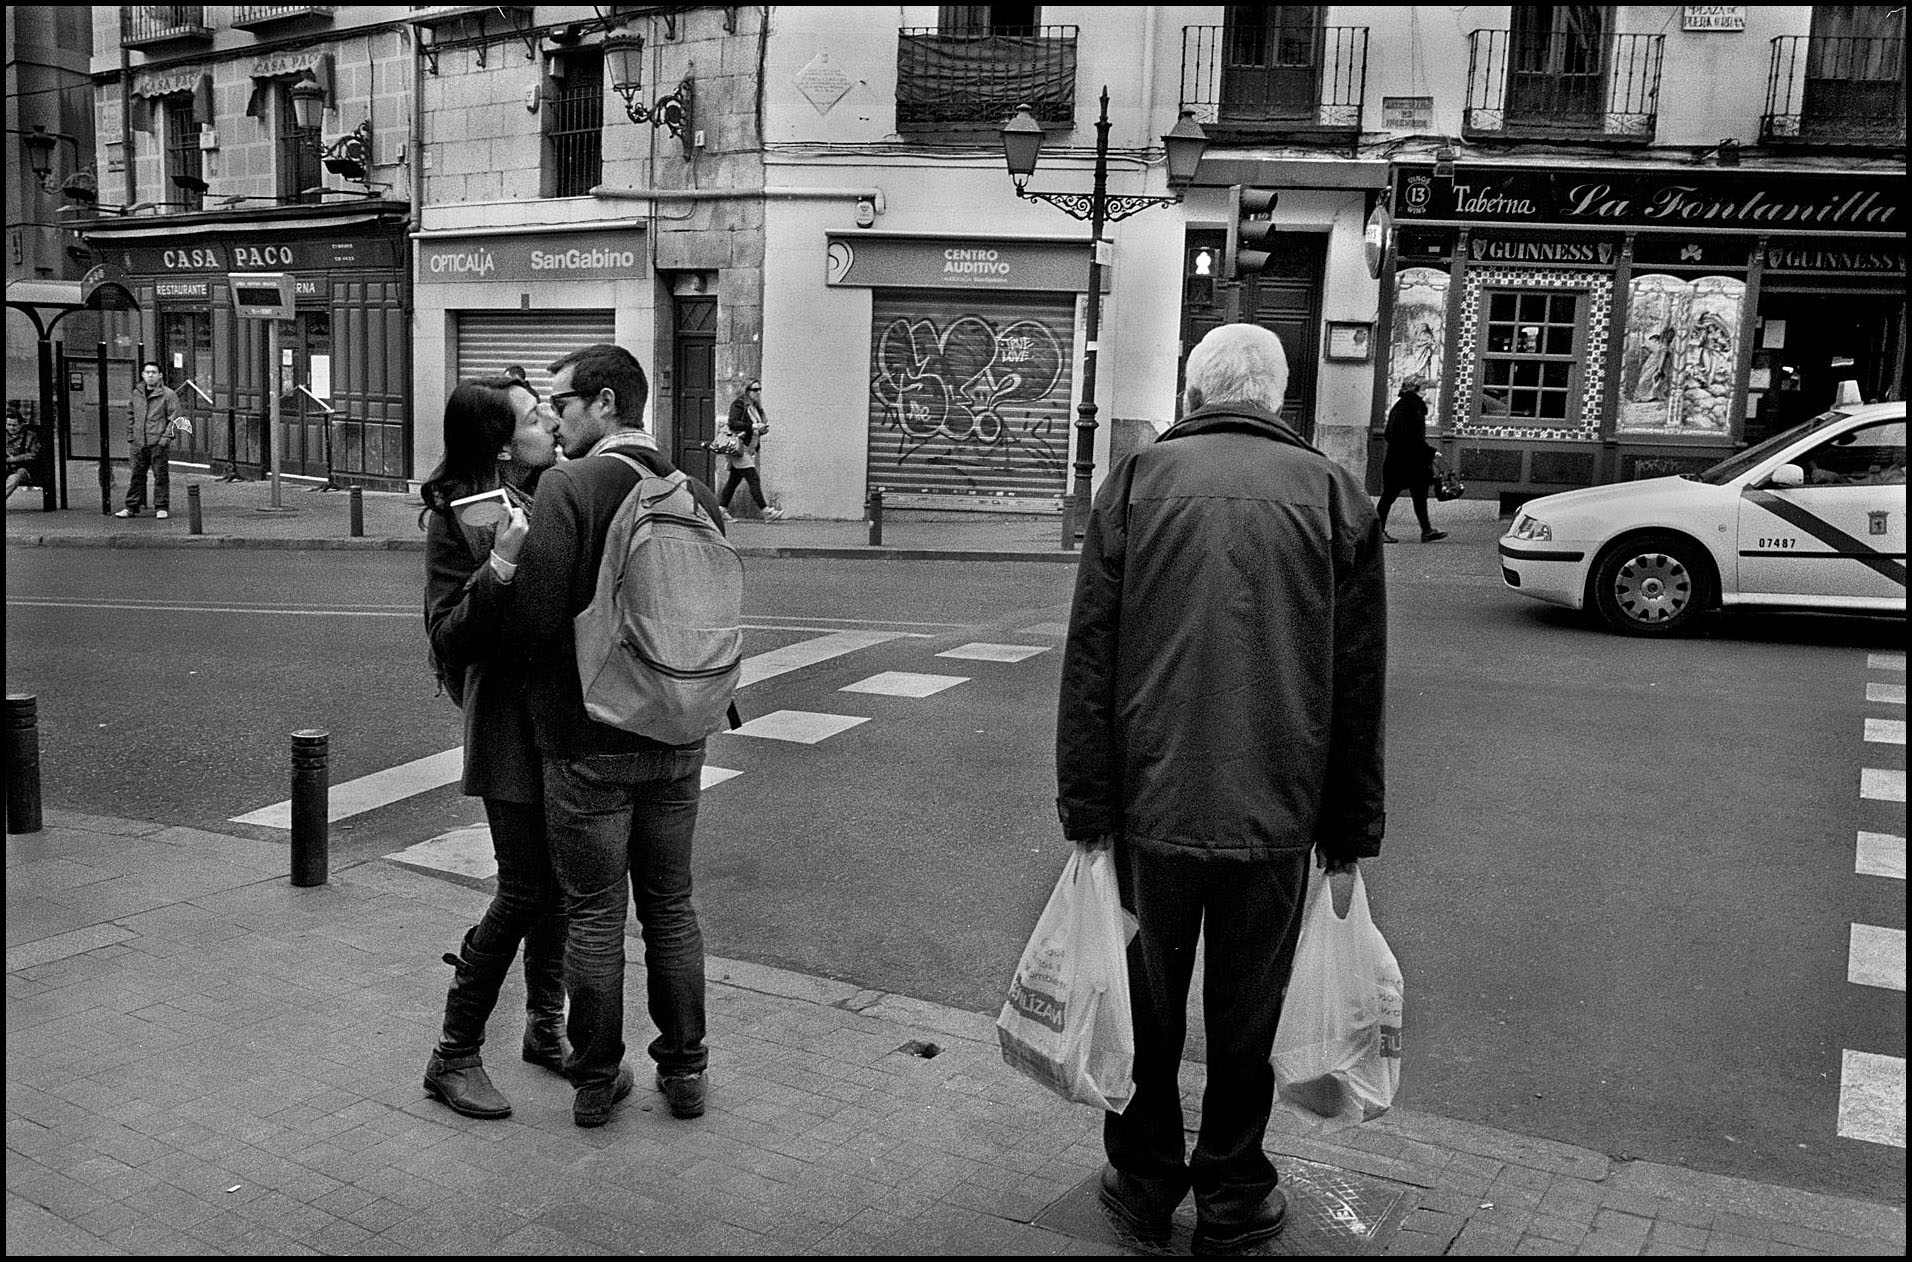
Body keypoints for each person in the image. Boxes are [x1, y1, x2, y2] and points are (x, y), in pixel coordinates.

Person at [1055, 323, 1387, 1255]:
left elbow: (1091, 660)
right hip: (1280, 810)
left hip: (1153, 808)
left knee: (1148, 1010)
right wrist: (1351, 829)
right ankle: (1234, 1192)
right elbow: (1358, 678)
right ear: (1276, 395)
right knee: (1251, 1015)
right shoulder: (1335, 495)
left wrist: (1087, 807)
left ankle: (1147, 1179)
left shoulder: (1134, 485)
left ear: (1195, 392)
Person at [495, 343, 725, 1128]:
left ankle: (596, 1080)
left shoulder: (570, 486)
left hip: (586, 739)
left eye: (560, 403)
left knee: (594, 913)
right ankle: (686, 1073)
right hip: (678, 730)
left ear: (602, 403)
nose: (553, 420)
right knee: (671, 906)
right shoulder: (694, 490)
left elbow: (532, 621)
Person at [416, 375, 571, 1120]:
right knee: (524, 887)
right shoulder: (459, 520)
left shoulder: (545, 494)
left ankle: (547, 1027)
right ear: (503, 442)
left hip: (555, 724)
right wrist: (501, 566)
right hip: (506, 728)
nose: (548, 416)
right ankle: (452, 1054)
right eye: (533, 413)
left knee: (561, 885)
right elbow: (447, 635)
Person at [1376, 376, 1447, 544]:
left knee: (1417, 495)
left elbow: (1389, 434)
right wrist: (1431, 452)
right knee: (1390, 497)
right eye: (1423, 388)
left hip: (1401, 462)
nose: (1425, 392)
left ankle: (1427, 530)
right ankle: (1377, 532)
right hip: (1406, 463)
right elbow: (1411, 437)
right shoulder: (1411, 407)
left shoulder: (1401, 406)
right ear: (1416, 390)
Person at [118, 362, 183, 519]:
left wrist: (165, 439)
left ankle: (161, 507)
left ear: (160, 375)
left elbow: (176, 418)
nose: (150, 375)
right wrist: (131, 435)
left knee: (160, 475)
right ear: (142, 375)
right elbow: (130, 414)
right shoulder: (137, 393)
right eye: (147, 372)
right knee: (136, 475)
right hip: (138, 442)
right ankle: (131, 507)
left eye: (154, 372)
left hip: (157, 442)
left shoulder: (168, 395)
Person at [717, 379, 781, 521]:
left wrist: (761, 429)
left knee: (734, 480)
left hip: (750, 447)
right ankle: (766, 511)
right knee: (753, 478)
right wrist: (752, 427)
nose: (758, 392)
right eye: (755, 389)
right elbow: (732, 423)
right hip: (739, 447)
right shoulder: (739, 404)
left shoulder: (756, 406)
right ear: (747, 391)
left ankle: (721, 508)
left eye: (760, 389)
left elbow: (759, 424)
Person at [6, 403, 42, 500]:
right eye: (9, 425)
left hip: (23, 468)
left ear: (21, 425)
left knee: (15, 477)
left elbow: (33, 455)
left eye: (14, 425)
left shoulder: (30, 435)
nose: (11, 428)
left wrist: (13, 459)